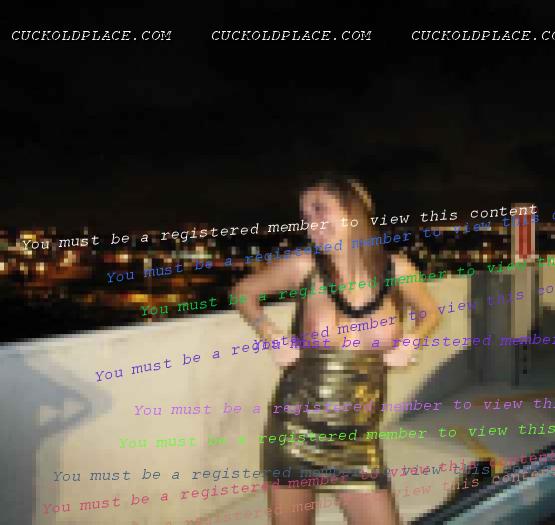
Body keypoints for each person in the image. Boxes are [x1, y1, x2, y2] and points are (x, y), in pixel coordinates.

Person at [233, 175, 440, 525]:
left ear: (354, 212)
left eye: (320, 210)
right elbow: (242, 292)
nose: (311, 224)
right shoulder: (305, 266)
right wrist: (269, 332)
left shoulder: (398, 270)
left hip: (358, 437)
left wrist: (413, 339)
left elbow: (430, 313)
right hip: (295, 430)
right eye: (305, 216)